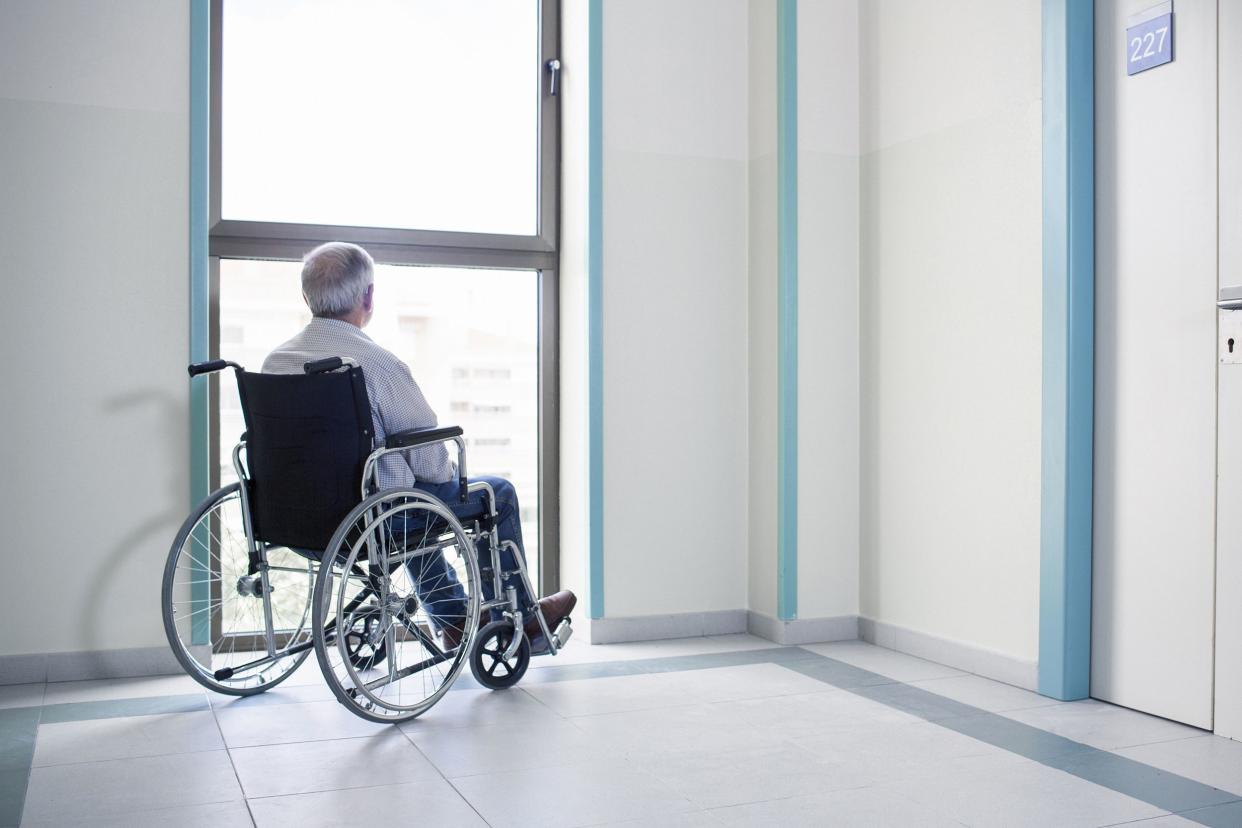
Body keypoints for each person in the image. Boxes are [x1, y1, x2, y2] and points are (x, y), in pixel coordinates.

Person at [262, 241, 575, 651]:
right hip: (374, 519)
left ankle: (455, 620)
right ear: (368, 296)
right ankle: (522, 620)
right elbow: (429, 462)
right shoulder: (375, 364)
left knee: (410, 504)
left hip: (297, 519)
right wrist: (444, 480)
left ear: (307, 297)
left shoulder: (275, 363)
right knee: (490, 494)